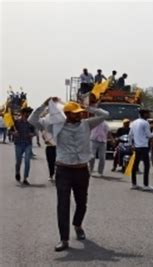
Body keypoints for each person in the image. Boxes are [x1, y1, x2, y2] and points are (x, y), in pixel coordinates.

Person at [28, 98, 109, 252]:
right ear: (67, 114)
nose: (79, 115)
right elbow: (33, 120)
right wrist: (44, 104)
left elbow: (105, 114)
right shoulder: (56, 126)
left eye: (80, 113)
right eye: (75, 113)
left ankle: (77, 225)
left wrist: (85, 106)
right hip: (63, 170)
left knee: (82, 203)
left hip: (81, 170)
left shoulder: (87, 124)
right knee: (63, 205)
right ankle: (63, 239)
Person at [129, 109, 153, 191]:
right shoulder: (145, 123)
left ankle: (134, 183)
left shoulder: (134, 122)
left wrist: (131, 144)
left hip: (137, 146)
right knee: (146, 165)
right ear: (144, 114)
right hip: (144, 146)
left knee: (135, 165)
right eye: (148, 113)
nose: (149, 115)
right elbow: (149, 135)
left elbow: (130, 134)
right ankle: (145, 184)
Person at [12, 107, 36, 185]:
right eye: (27, 113)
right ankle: (17, 172)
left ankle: (25, 178)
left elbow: (34, 132)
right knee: (18, 161)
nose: (28, 115)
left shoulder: (31, 123)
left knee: (27, 161)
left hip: (27, 144)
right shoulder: (16, 122)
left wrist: (32, 134)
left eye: (29, 114)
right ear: (23, 113)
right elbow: (10, 130)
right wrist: (14, 133)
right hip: (18, 144)